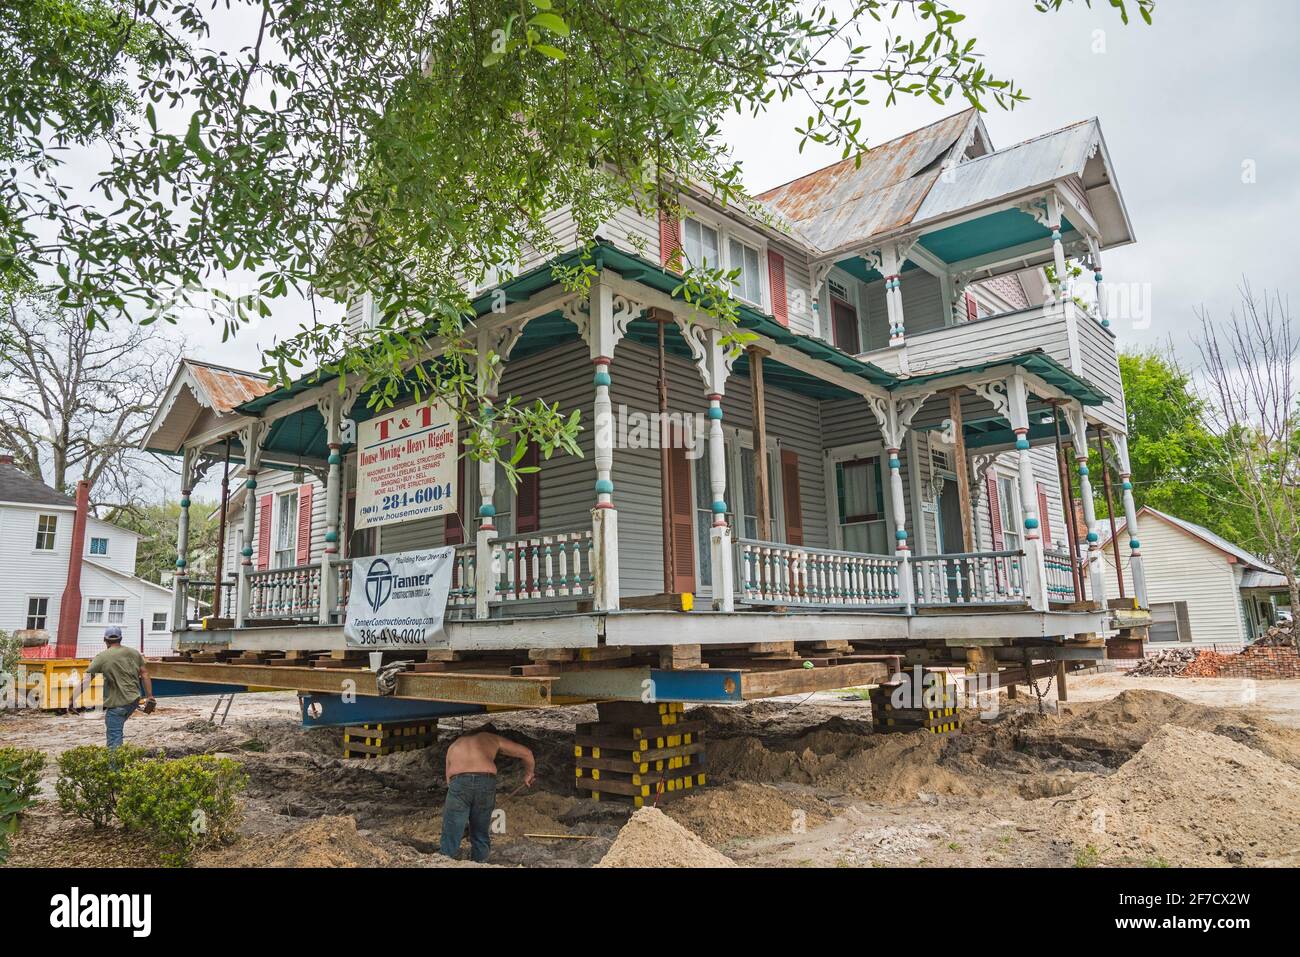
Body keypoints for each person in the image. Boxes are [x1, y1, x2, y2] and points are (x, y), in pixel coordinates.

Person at [439, 723, 535, 863]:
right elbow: (527, 753)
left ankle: (444, 859)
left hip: (459, 781)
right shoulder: (490, 738)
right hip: (485, 781)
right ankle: (481, 862)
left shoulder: (454, 745)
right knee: (480, 831)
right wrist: (529, 774)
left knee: (452, 829)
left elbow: (449, 780)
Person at [67, 626, 155, 749]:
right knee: (117, 729)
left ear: (105, 640)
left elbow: (86, 680)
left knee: (114, 737)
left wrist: (72, 700)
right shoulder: (134, 653)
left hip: (117, 703)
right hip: (133, 700)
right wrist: (150, 696)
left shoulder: (102, 657)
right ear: (121, 639)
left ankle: (115, 767)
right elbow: (145, 673)